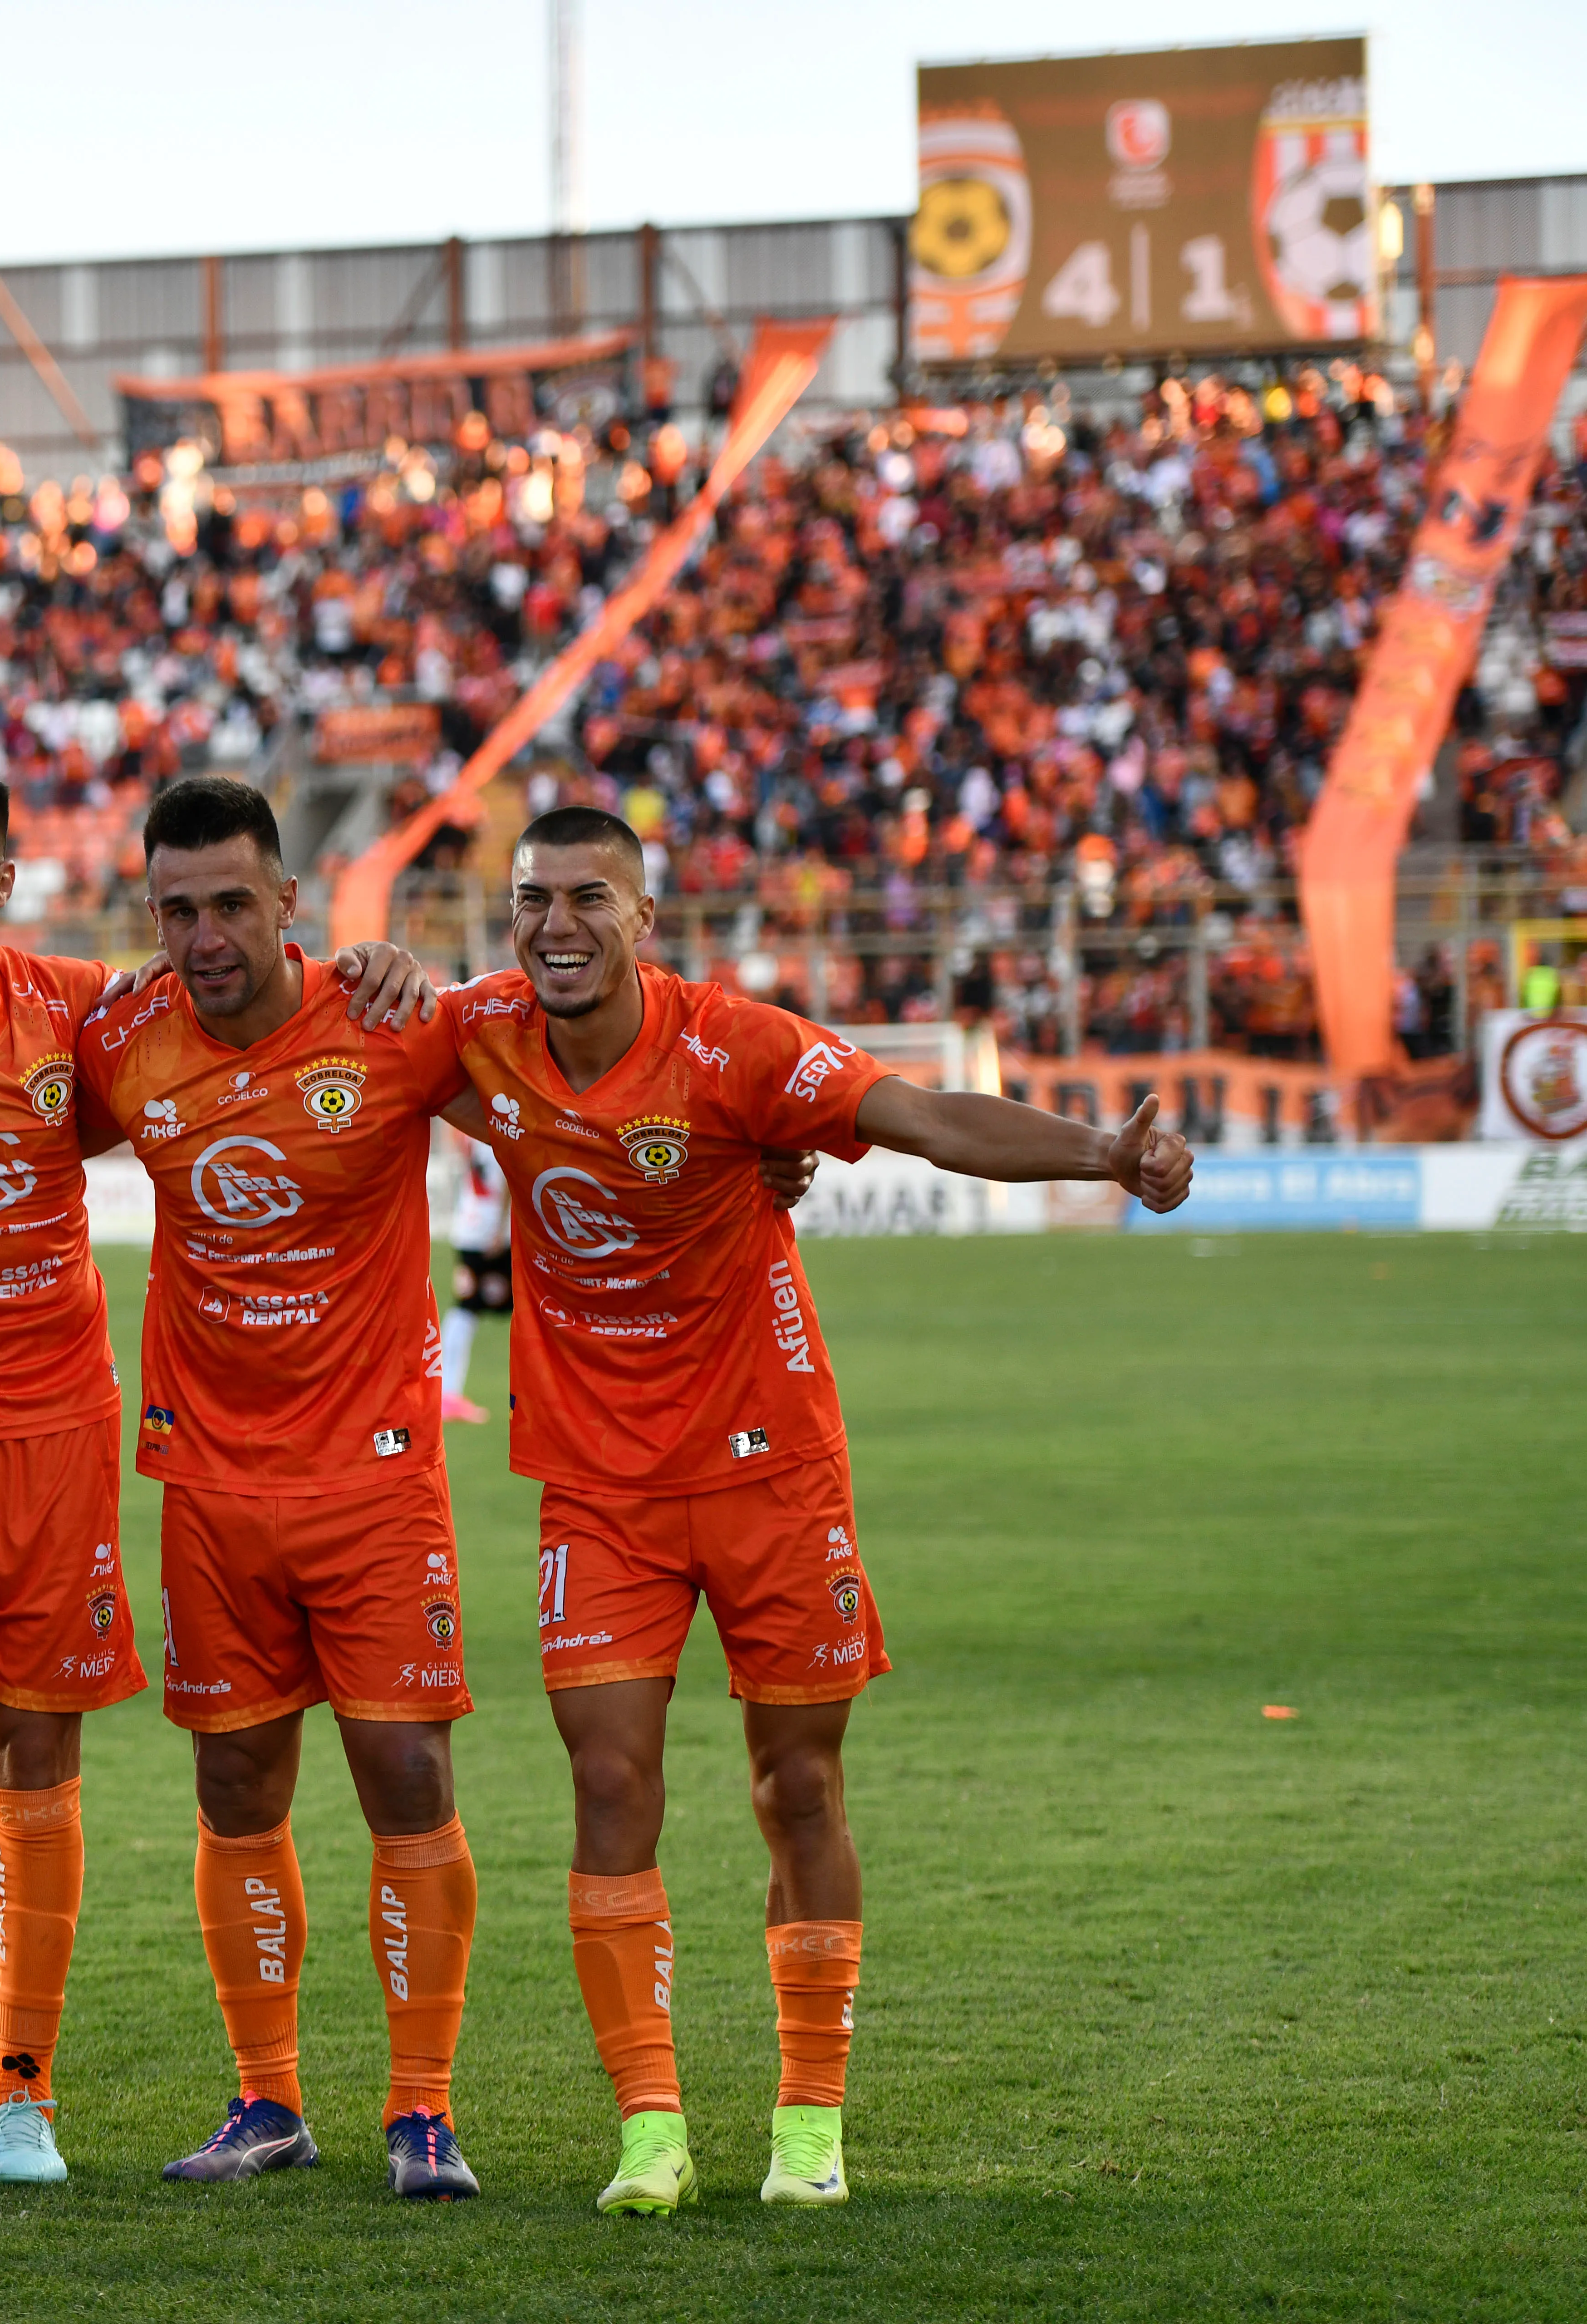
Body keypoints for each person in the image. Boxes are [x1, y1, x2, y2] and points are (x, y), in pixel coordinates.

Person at [438, 803, 1191, 2216]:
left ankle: (807, 2117)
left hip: (772, 1468)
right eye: (532, 897)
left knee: (801, 1786)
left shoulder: (738, 1043)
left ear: (644, 919)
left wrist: (1101, 1150)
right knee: (608, 1781)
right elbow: (338, 1051)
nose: (554, 922)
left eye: (587, 896)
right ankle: (650, 2124)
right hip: (597, 1485)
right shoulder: (474, 1031)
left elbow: (924, 1115)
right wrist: (358, 959)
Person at [0, 756, 432, 2190]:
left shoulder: (85, 1015)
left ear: (4, 879)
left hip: (56, 1435)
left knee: (34, 1754)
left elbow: (224, 1033)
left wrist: (372, 967)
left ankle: (20, 2087)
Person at [69, 777, 490, 2200]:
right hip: (209, 1479)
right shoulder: (122, 1038)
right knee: (236, 1782)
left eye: (231, 902)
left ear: (289, 903)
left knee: (407, 1777)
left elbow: (563, 1110)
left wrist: (775, 1162)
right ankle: (266, 2095)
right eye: (176, 906)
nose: (203, 932)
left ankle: (422, 2107)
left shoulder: (388, 1024)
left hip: (375, 1478)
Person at [439, 1131, 510, 1425]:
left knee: (465, 1309)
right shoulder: (497, 1128)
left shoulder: (467, 1128)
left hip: (469, 1228)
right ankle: (447, 1394)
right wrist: (502, 1225)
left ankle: (446, 1393)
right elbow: (507, 1178)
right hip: (491, 1231)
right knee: (537, 1307)